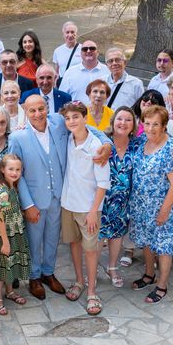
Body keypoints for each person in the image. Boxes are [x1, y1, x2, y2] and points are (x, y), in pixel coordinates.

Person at [8, 95, 112, 300]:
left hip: (60, 197)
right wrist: (27, 204)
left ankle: (48, 272)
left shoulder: (59, 123)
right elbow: (15, 174)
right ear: (25, 112)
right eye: (32, 111)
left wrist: (107, 143)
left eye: (41, 109)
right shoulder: (17, 138)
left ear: (47, 108)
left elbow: (90, 129)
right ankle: (34, 276)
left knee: (52, 239)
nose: (37, 114)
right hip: (35, 199)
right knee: (34, 239)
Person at [60, 101, 110, 315]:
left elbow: (102, 183)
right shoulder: (68, 140)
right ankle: (79, 281)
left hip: (88, 207)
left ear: (85, 117)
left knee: (90, 250)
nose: (72, 121)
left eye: (76, 117)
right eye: (68, 118)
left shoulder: (96, 146)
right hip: (68, 203)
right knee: (74, 244)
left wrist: (93, 212)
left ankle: (91, 291)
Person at [129, 106, 173, 303]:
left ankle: (162, 285)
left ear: (164, 126)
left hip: (162, 206)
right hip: (142, 204)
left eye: (156, 124)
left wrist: (165, 210)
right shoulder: (143, 140)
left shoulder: (171, 149)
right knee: (146, 240)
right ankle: (149, 274)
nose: (151, 128)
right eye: (147, 123)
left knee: (163, 246)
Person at [100, 107, 139, 288]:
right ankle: (91, 270)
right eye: (119, 119)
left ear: (133, 126)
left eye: (128, 120)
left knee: (117, 235)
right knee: (97, 236)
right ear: (113, 122)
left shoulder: (136, 145)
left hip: (124, 200)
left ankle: (112, 267)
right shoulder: (102, 141)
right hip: (101, 197)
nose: (123, 123)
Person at [0, 154, 30, 315]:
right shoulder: (3, 191)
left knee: (11, 264)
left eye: (18, 170)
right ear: (2, 169)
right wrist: (5, 241)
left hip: (16, 232)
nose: (14, 173)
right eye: (11, 169)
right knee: (3, 267)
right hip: (6, 235)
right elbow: (0, 217)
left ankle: (9, 291)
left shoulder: (13, 186)